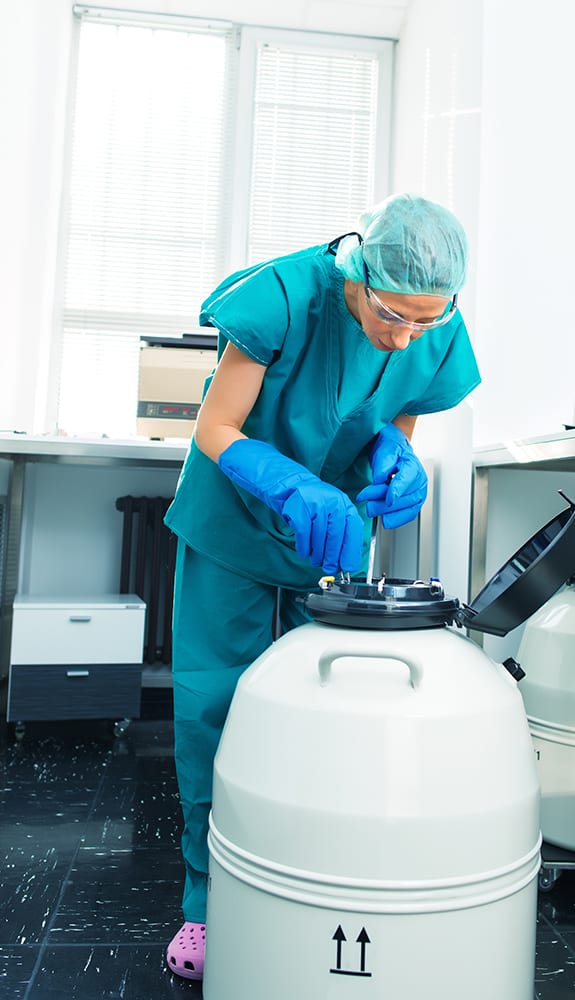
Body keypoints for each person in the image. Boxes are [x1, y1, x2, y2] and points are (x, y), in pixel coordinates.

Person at [163, 192, 481, 980]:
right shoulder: (282, 296)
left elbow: (396, 419)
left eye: (424, 321)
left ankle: (298, 862)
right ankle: (204, 901)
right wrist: (284, 481)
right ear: (359, 274)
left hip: (328, 533)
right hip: (235, 521)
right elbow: (215, 426)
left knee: (316, 700)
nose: (404, 334)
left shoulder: (431, 324)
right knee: (213, 702)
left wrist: (392, 464)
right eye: (391, 315)